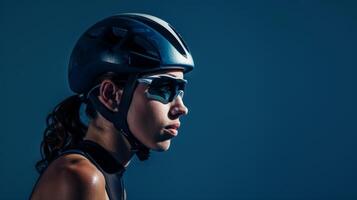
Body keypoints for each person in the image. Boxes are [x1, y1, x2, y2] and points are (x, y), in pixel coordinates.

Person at [30, 13, 194, 200]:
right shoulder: (81, 176)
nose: (181, 108)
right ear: (110, 95)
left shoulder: (104, 175)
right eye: (164, 88)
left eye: (180, 90)